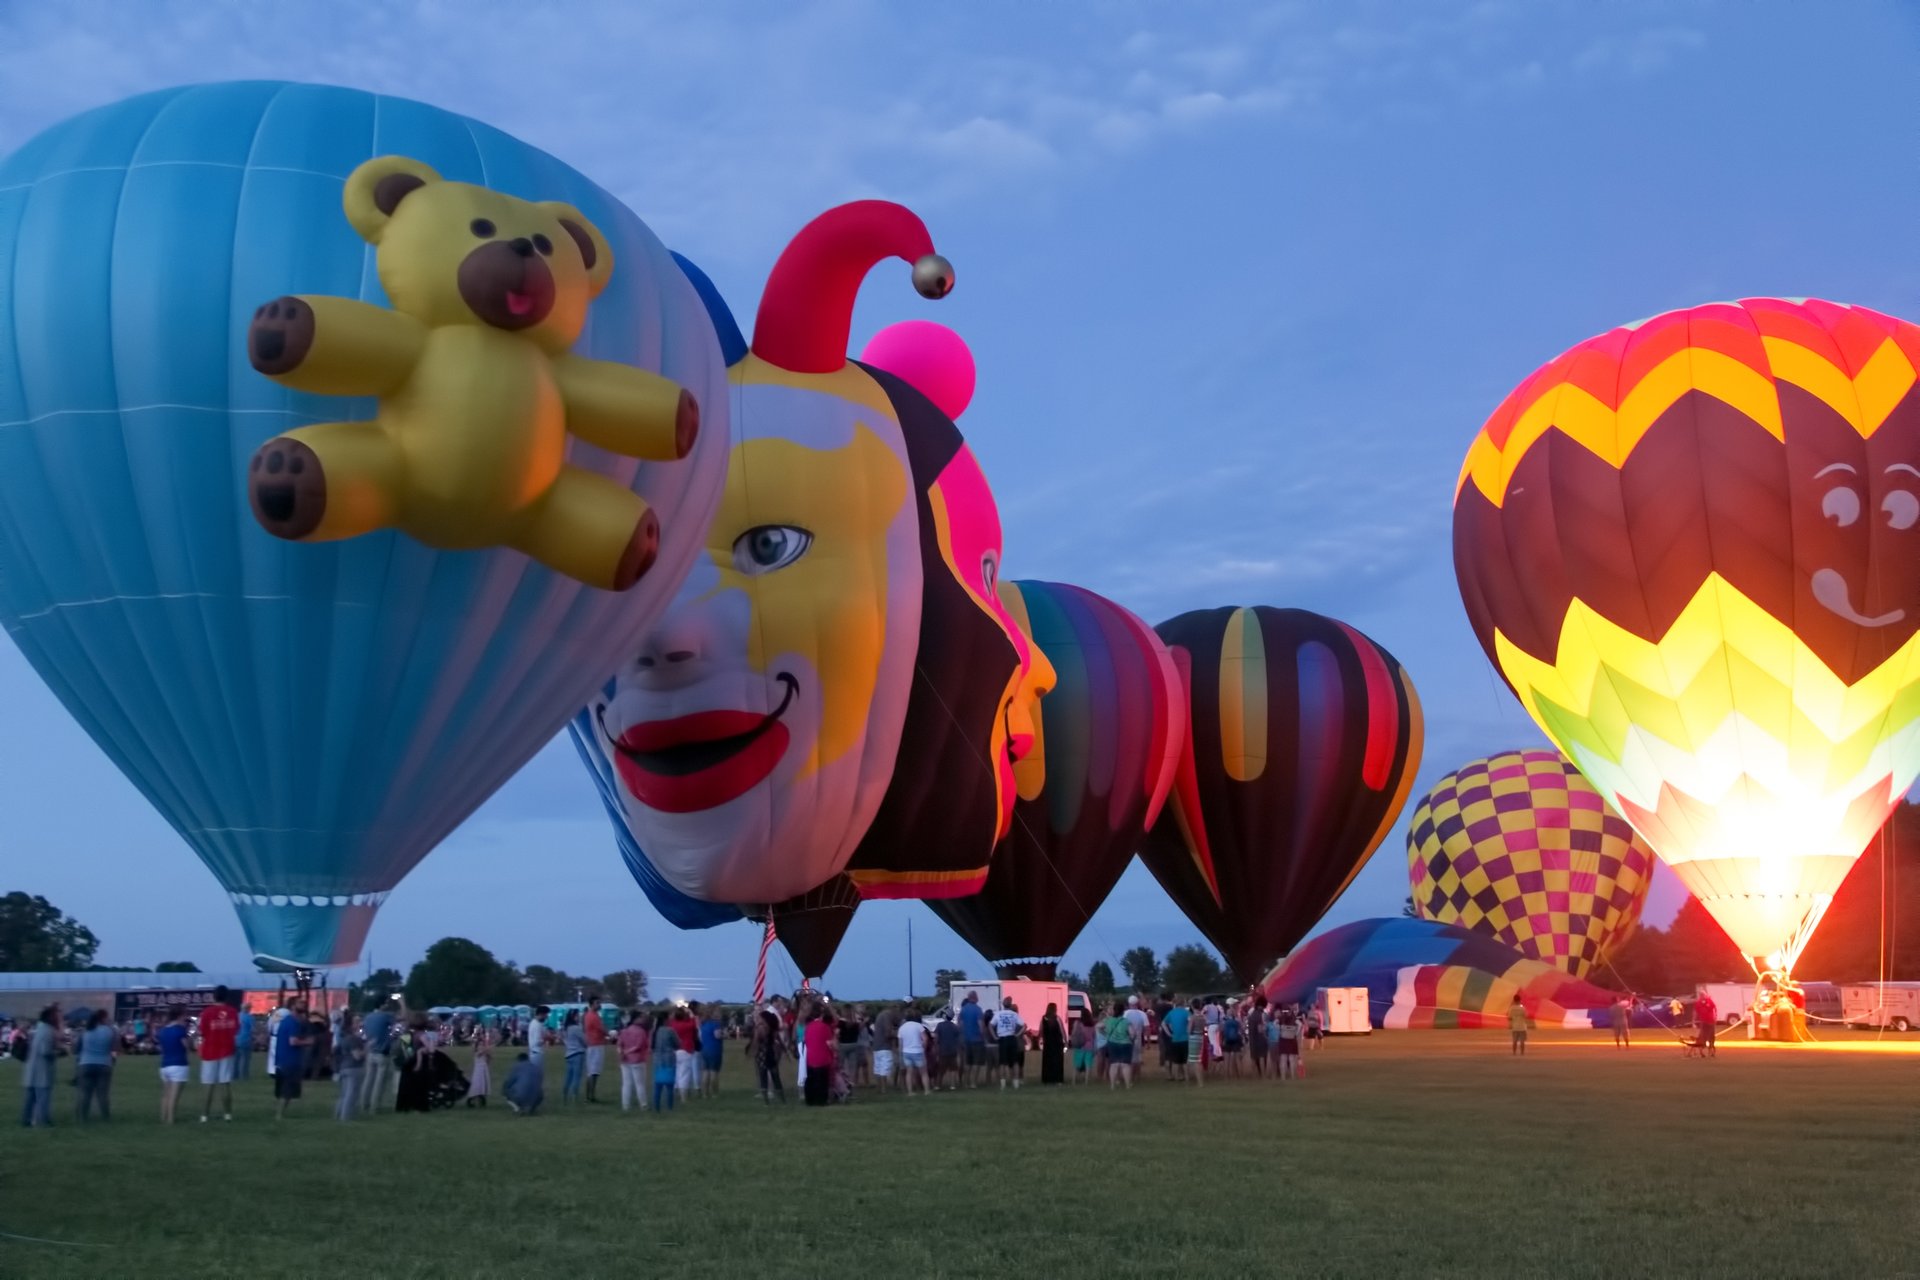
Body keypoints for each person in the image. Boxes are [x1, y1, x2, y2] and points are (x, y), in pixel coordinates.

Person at [273, 1000, 312, 1119]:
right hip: (290, 1060)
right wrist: (307, 1042)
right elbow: (293, 1041)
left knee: (286, 1089)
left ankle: (280, 1113)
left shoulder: (285, 1021)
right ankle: (279, 1114)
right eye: (301, 1004)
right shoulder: (293, 1022)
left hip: (283, 1059)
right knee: (287, 1089)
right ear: (293, 1006)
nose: (304, 1006)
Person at [359, 1000, 395, 1113]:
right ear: (382, 1004)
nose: (388, 1005)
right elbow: (403, 1017)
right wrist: (402, 1001)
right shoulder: (385, 1016)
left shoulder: (368, 1017)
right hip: (382, 1052)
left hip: (371, 1051)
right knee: (379, 1082)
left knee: (368, 1080)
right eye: (386, 1003)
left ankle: (363, 1104)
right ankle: (374, 1107)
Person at [333, 1011, 367, 1121]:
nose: (359, 1024)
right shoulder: (353, 1039)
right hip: (354, 1068)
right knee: (351, 1094)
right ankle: (346, 1117)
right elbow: (357, 1055)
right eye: (356, 1022)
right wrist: (367, 1049)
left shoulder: (344, 1037)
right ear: (351, 1025)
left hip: (344, 1066)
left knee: (344, 1093)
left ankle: (338, 1114)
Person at [752, 1003, 786, 1103]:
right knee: (774, 1076)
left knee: (765, 1076)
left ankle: (767, 1100)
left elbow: (756, 1042)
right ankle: (781, 1099)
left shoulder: (760, 1028)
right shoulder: (769, 1027)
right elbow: (777, 1039)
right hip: (768, 1053)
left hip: (764, 1054)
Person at [802, 1006, 835, 1107]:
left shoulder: (808, 1027)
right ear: (821, 1015)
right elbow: (829, 1043)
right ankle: (821, 1101)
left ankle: (810, 1100)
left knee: (811, 1080)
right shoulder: (825, 1027)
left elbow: (805, 1041)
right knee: (822, 1081)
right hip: (823, 1057)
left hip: (810, 1057)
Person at [617, 1010, 650, 1112]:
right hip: (637, 1060)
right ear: (636, 1018)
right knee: (639, 1084)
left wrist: (622, 1053)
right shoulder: (641, 1031)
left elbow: (619, 1045)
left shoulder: (624, 1031)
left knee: (626, 1083)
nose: (643, 1019)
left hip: (625, 1061)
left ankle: (625, 1105)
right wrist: (628, 1051)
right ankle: (643, 1104)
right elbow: (639, 1046)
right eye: (641, 1017)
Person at [651, 1009, 681, 1113]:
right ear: (665, 1019)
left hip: (657, 1059)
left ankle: (656, 1106)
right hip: (669, 1059)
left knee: (657, 1085)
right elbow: (678, 1044)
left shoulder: (655, 1031)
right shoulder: (670, 1031)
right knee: (669, 1085)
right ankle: (669, 1106)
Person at [894, 1011, 930, 1096]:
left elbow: (900, 1043)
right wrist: (923, 1048)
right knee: (923, 1073)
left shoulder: (902, 1028)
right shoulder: (919, 1026)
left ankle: (910, 1092)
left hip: (906, 1052)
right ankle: (927, 1090)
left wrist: (901, 1053)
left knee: (909, 1073)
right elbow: (925, 1039)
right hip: (918, 1051)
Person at [1102, 1000, 1135, 1089]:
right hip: (1125, 1044)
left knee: (1113, 1064)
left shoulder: (1108, 1021)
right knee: (1125, 1065)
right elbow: (1132, 1033)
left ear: (1114, 1010)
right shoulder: (1126, 1021)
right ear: (1123, 1011)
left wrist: (1105, 1034)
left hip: (1112, 1044)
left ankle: (1112, 1085)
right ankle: (1128, 1085)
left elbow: (1098, 1026)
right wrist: (1131, 1039)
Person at [957, 992, 987, 1088]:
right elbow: (980, 1025)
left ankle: (965, 1082)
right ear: (974, 998)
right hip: (976, 1039)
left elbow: (960, 1025)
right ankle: (973, 1083)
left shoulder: (963, 1010)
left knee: (967, 1062)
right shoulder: (978, 1010)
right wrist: (983, 1036)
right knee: (976, 1062)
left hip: (966, 1039)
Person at [582, 1000, 608, 1103]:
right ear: (592, 1004)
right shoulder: (594, 1016)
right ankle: (590, 1096)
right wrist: (609, 1034)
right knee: (594, 1071)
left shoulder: (588, 1015)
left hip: (591, 1044)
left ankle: (589, 1095)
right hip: (596, 1044)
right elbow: (602, 1029)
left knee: (591, 1071)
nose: (599, 1005)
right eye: (597, 1003)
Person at [559, 1010, 587, 1105]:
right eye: (577, 1016)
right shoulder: (576, 1028)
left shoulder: (565, 1029)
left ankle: (565, 1095)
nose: (578, 1017)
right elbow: (584, 1040)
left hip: (569, 1054)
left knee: (568, 1076)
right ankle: (575, 1097)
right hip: (578, 1053)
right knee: (576, 1077)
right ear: (574, 1017)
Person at [1162, 997, 1191, 1083]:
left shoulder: (1171, 1013)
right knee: (1185, 1060)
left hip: (1175, 1038)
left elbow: (1163, 1023)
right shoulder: (1186, 1012)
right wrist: (1189, 1031)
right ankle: (1186, 1077)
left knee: (1176, 1061)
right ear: (1183, 1003)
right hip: (1185, 1038)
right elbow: (1190, 1021)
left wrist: (1169, 1033)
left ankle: (1176, 1077)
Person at [934, 1008, 963, 1091]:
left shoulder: (940, 1025)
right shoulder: (954, 1027)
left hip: (942, 1050)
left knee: (941, 1069)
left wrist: (936, 1047)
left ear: (945, 1016)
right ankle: (952, 1085)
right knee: (953, 1069)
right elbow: (958, 1039)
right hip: (953, 1051)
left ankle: (938, 1085)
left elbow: (936, 1038)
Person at [699, 1005, 724, 1099]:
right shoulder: (716, 1024)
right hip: (714, 1050)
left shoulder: (704, 1024)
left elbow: (701, 1037)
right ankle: (714, 1093)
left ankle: (705, 1093)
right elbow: (717, 1035)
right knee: (714, 1072)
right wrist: (723, 1034)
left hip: (705, 1049)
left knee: (705, 1071)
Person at [464, 1026, 492, 1109]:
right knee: (477, 1083)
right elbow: (477, 1054)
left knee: (483, 1083)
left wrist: (488, 1056)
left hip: (484, 1067)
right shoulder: (477, 1050)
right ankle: (473, 1097)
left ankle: (481, 1097)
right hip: (478, 1068)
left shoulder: (483, 1049)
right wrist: (485, 1050)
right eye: (480, 1045)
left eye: (482, 1045)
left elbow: (488, 1060)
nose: (481, 1046)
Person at [1274, 1005, 1301, 1080]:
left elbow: (1274, 1023)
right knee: (1292, 1059)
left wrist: (1279, 1030)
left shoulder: (1281, 1018)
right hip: (1292, 1039)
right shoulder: (1293, 1018)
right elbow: (1300, 1024)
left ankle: (1283, 1077)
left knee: (1283, 1059)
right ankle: (1292, 1076)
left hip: (1283, 1039)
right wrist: (1296, 1033)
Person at [1069, 1010, 1095, 1084]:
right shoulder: (1092, 1024)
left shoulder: (1078, 1023)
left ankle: (1073, 1080)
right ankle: (1086, 1081)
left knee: (1077, 1064)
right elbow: (1094, 1035)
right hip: (1089, 1046)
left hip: (1079, 1046)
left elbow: (1073, 1033)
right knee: (1088, 1064)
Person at [1247, 995, 1270, 1079]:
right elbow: (1261, 1029)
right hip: (1261, 1038)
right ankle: (1263, 1075)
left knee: (1254, 1057)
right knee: (1262, 1057)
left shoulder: (1251, 1015)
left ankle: (1254, 1076)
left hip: (1252, 1038)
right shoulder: (1262, 1015)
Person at [234, 1004, 254, 1081]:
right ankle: (244, 1076)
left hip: (236, 1040)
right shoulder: (249, 1017)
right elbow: (253, 1029)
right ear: (248, 1009)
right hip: (246, 1040)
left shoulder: (236, 1016)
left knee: (236, 1060)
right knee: (245, 1060)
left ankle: (235, 1075)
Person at [1695, 992, 1718, 1058]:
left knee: (1711, 1037)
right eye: (1701, 995)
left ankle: (1711, 1051)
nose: (1702, 996)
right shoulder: (1698, 1003)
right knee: (1703, 1037)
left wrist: (1715, 1016)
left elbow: (1714, 1008)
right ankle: (1702, 1050)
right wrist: (1694, 1021)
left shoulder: (1709, 1001)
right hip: (1703, 1022)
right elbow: (1696, 1011)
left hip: (1711, 1022)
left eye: (1703, 995)